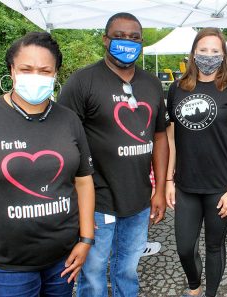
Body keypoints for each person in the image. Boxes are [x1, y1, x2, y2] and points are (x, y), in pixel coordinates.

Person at [0, 32, 95, 296]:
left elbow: (83, 179)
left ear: (56, 74)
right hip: (10, 266)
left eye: (45, 70)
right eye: (26, 69)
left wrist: (86, 239)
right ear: (11, 70)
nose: (36, 76)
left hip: (63, 260)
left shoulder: (69, 120)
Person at [59, 12, 169, 297]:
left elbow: (159, 137)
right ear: (105, 40)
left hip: (139, 199)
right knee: (93, 272)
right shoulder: (83, 82)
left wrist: (158, 191)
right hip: (96, 200)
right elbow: (62, 138)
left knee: (127, 269)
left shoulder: (152, 84)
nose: (126, 43)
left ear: (142, 43)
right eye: (119, 37)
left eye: (134, 38)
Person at [166, 27, 227, 297]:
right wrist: (169, 179)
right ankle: (194, 287)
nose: (208, 56)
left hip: (220, 187)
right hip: (186, 185)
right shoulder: (176, 89)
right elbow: (171, 139)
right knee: (183, 247)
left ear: (223, 55)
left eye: (215, 51)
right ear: (193, 53)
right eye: (203, 50)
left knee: (215, 246)